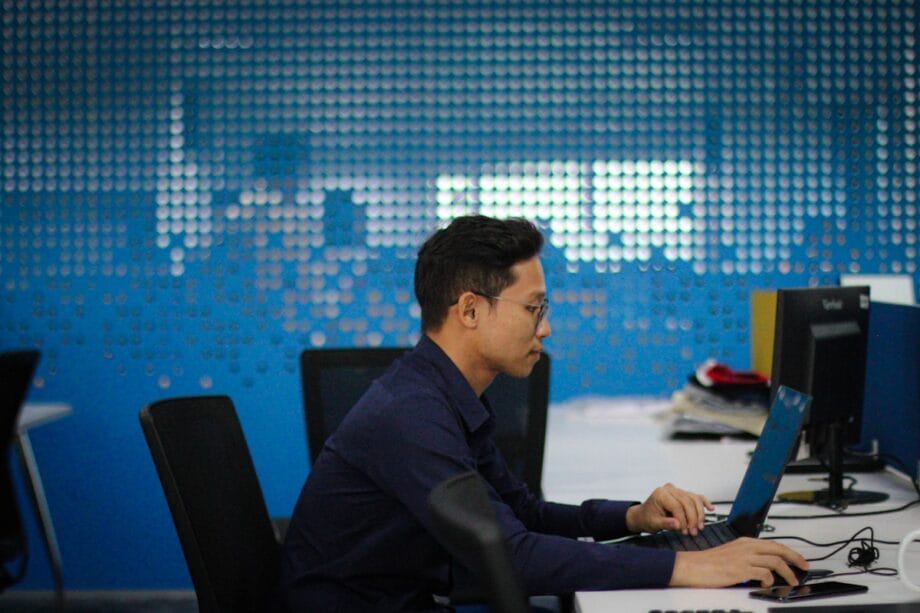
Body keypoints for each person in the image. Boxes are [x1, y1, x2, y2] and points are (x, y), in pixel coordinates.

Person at [282, 215, 807, 611]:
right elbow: (513, 558)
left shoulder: (445, 394)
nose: (545, 328)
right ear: (469, 310)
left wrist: (631, 517)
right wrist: (691, 566)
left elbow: (523, 515)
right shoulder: (412, 415)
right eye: (534, 309)